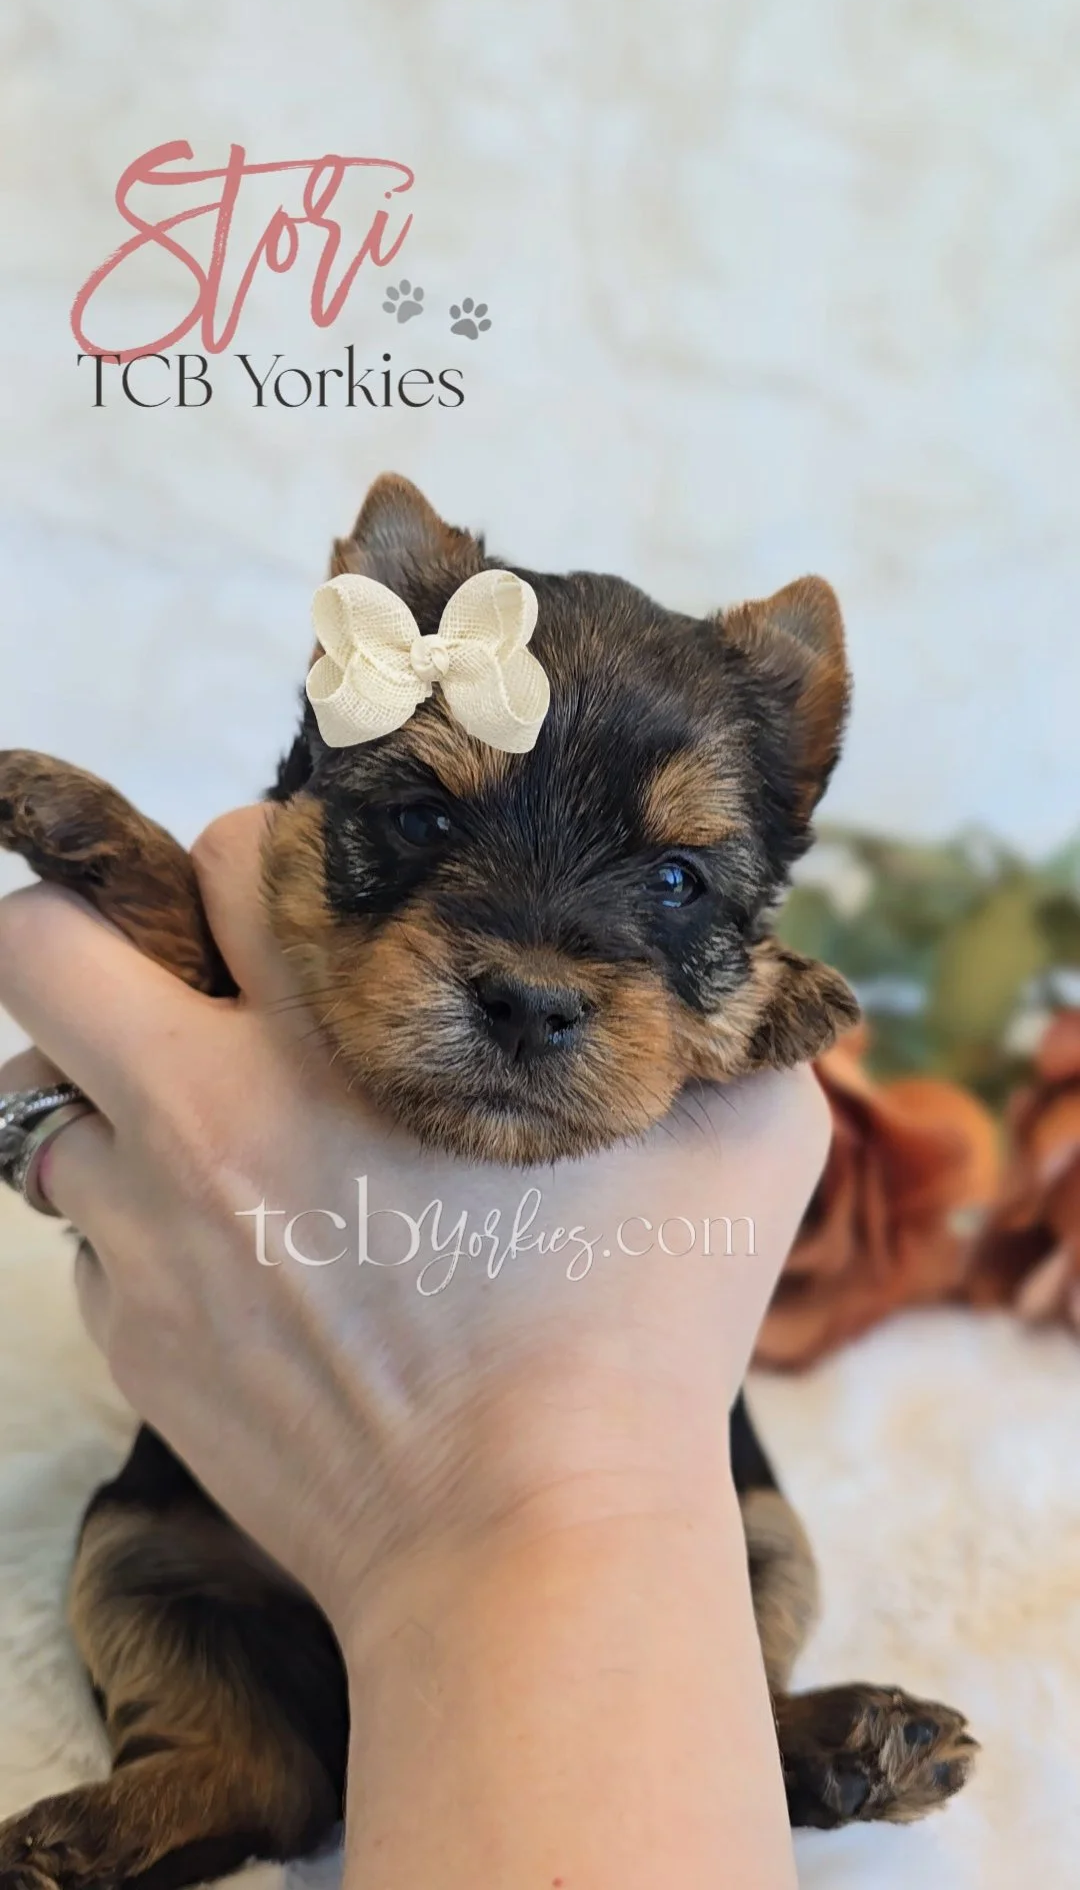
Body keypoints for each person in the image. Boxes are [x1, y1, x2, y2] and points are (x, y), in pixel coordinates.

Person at [0, 805, 831, 1890]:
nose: (536, 971)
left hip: (662, 1581)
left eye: (673, 882)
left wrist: (485, 1509)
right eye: (426, 818)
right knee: (134, 1569)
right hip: (215, 1544)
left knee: (762, 1551)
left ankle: (748, 1727)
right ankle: (211, 1764)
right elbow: (225, 998)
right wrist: (155, 895)